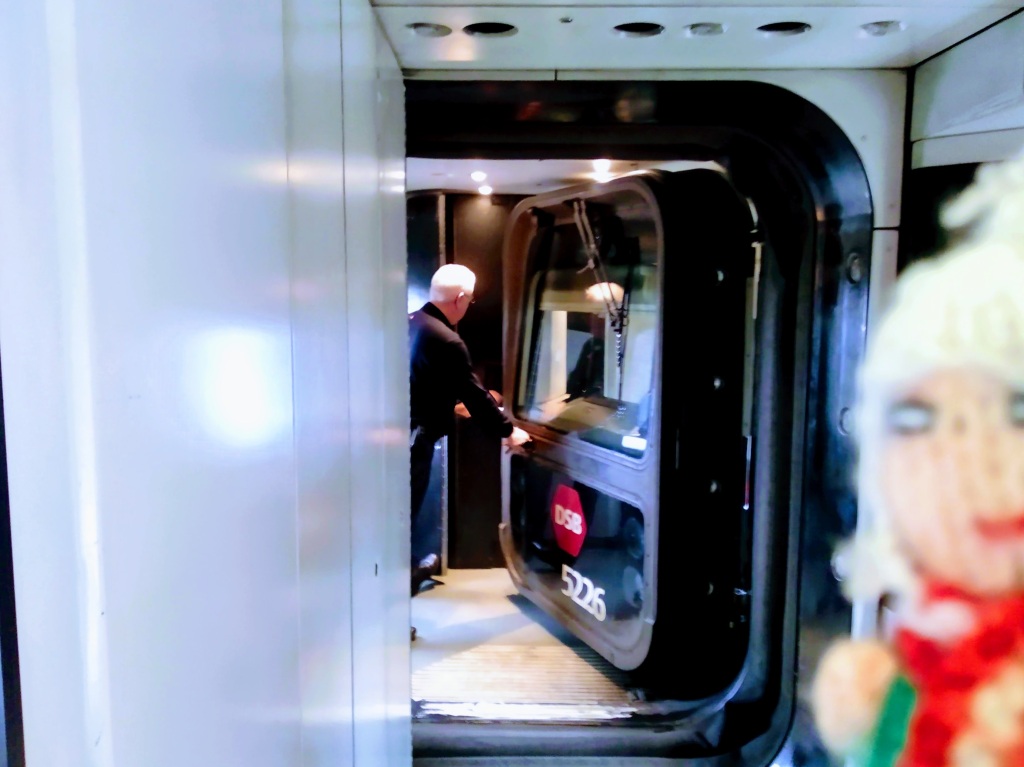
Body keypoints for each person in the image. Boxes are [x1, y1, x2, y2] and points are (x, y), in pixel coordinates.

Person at [409, 264, 531, 602]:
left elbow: (417, 382)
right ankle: (395, 612)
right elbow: (475, 396)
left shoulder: (410, 323)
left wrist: (448, 406)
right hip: (415, 442)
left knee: (398, 522)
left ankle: (405, 582)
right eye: (471, 301)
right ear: (460, 299)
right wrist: (509, 432)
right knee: (403, 523)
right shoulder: (447, 339)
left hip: (401, 438)